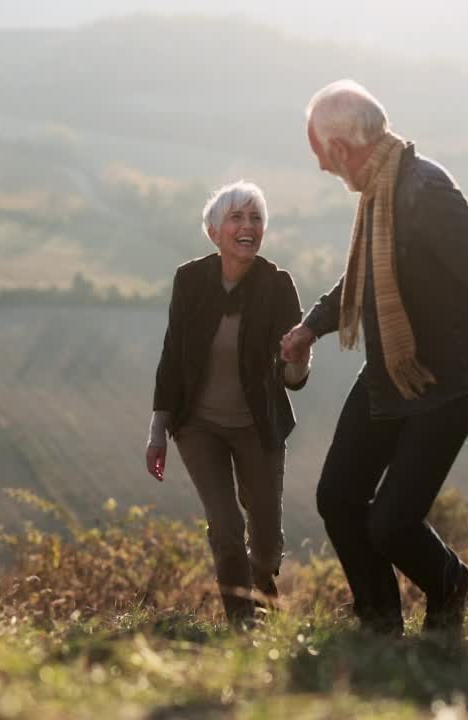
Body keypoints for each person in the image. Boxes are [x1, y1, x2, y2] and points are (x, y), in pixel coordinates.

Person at [281, 79, 468, 639]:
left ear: (342, 149)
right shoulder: (382, 191)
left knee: (392, 524)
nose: (324, 169)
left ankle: (449, 588)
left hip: (445, 384)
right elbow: (368, 272)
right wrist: (312, 327)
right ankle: (379, 620)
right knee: (338, 497)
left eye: (322, 155)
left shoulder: (424, 192)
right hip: (392, 375)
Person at [148, 180, 311, 627]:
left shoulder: (278, 285)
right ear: (215, 231)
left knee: (265, 539)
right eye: (237, 217)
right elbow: (172, 356)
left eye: (256, 218)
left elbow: (292, 378)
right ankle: (243, 621)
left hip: (258, 426)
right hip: (199, 426)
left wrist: (299, 358)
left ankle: (263, 584)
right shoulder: (190, 280)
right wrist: (157, 430)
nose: (248, 226)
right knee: (224, 526)